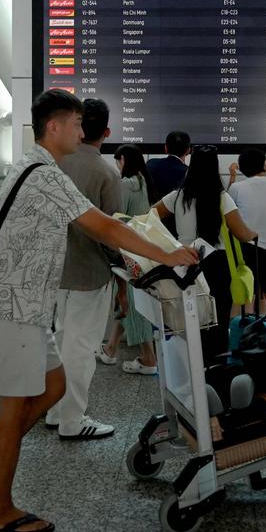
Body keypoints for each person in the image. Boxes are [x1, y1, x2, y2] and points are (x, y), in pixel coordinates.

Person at [0, 90, 197, 532]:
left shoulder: (40, 166)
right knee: (12, 412)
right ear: (54, 127)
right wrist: (167, 256)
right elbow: (104, 225)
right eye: (74, 124)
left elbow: (105, 223)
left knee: (54, 387)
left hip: (29, 305)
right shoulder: (43, 175)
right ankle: (0, 510)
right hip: (15, 307)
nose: (80, 131)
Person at [44, 99, 122, 440]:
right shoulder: (105, 172)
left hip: (55, 269)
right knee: (81, 347)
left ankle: (54, 410)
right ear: (105, 131)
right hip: (90, 272)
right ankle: (72, 420)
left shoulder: (55, 165)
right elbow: (112, 230)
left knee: (60, 341)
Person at [154, 145, 257, 363]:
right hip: (216, 266)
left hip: (185, 264)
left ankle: (189, 368)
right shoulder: (222, 198)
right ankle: (215, 370)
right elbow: (242, 234)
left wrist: (170, 244)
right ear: (214, 167)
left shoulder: (177, 196)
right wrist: (255, 233)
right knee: (217, 322)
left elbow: (150, 217)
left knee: (190, 320)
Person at [99, 144, 158, 376]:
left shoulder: (125, 185)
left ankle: (148, 358)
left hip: (127, 252)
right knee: (126, 302)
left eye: (117, 161)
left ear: (123, 160)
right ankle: (110, 348)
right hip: (143, 250)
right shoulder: (144, 182)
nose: (116, 166)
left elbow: (117, 218)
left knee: (133, 305)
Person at [228, 148, 266, 317]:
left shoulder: (237, 188)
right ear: (264, 165)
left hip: (245, 248)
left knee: (248, 296)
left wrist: (232, 177)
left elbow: (227, 208)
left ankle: (247, 338)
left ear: (242, 168)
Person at [146, 130, 191, 201]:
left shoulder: (151, 164)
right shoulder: (190, 173)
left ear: (166, 148)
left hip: (153, 211)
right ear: (188, 150)